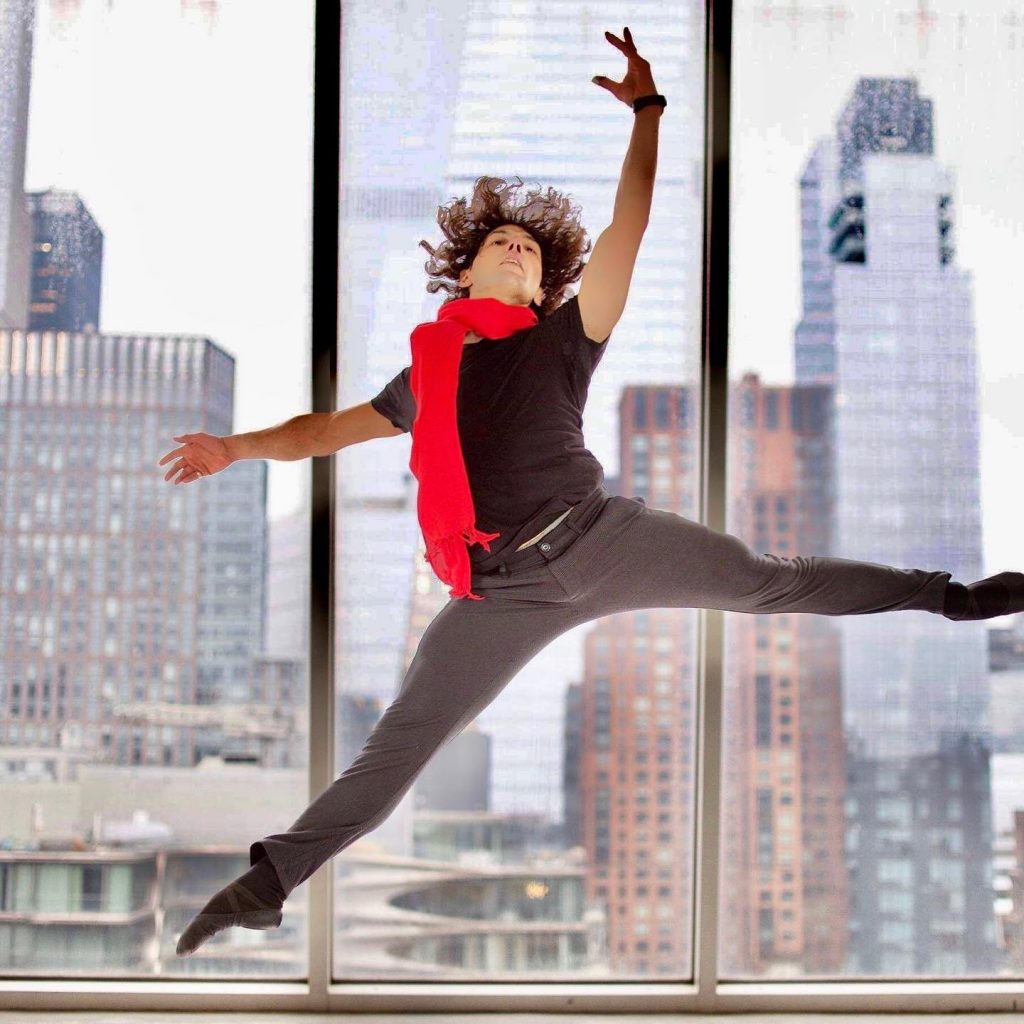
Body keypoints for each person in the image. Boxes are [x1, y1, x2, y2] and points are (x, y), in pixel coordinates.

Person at [159, 29, 1023, 958]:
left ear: (547, 282)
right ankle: (267, 882)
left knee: (769, 579)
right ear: (465, 270)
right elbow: (325, 433)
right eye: (501, 243)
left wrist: (648, 115)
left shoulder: (565, 336)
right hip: (499, 590)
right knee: (398, 747)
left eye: (533, 251)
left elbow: (631, 224)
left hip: (602, 538)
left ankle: (955, 597)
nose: (519, 254)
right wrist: (234, 447)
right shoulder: (426, 377)